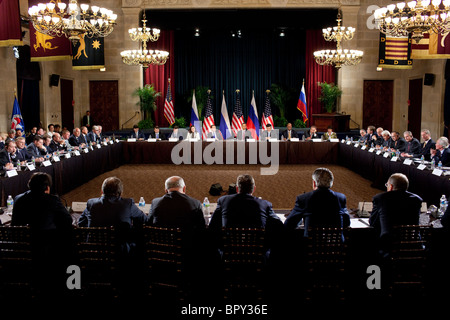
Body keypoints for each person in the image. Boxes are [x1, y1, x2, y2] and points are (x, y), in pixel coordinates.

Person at [11, 172, 73, 295]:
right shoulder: (53, 200)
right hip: (46, 250)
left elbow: (14, 224)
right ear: (47, 187)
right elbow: (68, 221)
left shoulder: (18, 199)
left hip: (22, 247)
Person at [209, 174, 284, 255]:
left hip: (230, 252)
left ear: (237, 189)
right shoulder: (265, 204)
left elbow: (212, 225)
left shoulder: (223, 201)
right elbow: (279, 225)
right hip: (256, 253)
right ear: (253, 189)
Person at [78, 176, 149, 252]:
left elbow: (81, 223)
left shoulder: (91, 203)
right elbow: (144, 220)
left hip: (94, 252)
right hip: (120, 253)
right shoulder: (128, 204)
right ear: (120, 193)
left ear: (102, 191)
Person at [284, 167, 350, 236]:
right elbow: (346, 223)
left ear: (314, 183)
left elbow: (289, 225)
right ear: (331, 183)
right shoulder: (341, 198)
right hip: (336, 245)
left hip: (311, 244)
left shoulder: (303, 199)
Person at [369, 173, 422, 257]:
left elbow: (373, 223)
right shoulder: (417, 199)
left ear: (391, 187)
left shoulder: (381, 198)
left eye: (387, 184)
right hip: (412, 245)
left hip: (389, 246)